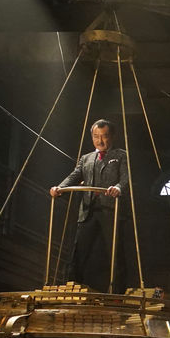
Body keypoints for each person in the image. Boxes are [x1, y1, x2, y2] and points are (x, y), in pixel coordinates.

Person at [50, 119, 130, 292]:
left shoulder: (121, 155)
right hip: (88, 210)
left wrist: (118, 188)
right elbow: (74, 175)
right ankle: (71, 288)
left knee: (115, 253)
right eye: (96, 136)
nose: (100, 141)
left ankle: (118, 293)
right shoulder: (86, 158)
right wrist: (60, 187)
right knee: (78, 252)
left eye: (104, 136)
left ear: (112, 136)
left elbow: (126, 178)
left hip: (110, 210)